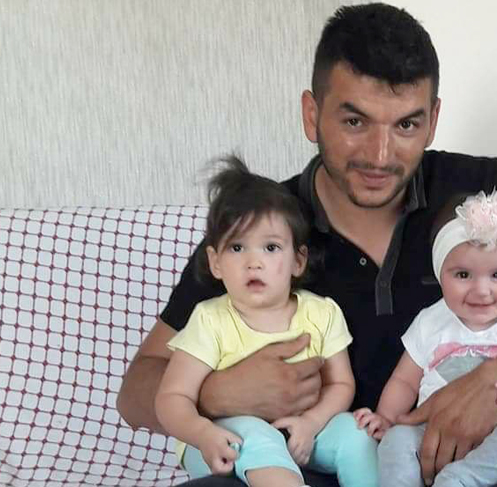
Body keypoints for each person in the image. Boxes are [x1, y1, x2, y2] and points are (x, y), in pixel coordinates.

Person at [117, 3, 497, 486]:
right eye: (355, 121)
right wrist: (215, 392)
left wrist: (494, 384)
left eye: (406, 124)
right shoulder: (260, 231)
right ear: (312, 114)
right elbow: (136, 389)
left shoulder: (488, 193)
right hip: (299, 468)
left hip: (475, 468)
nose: (380, 155)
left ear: (432, 120)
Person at [154, 157, 377, 486]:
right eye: (237, 247)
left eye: (271, 247)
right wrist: (202, 433)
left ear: (298, 260)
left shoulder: (321, 313)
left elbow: (340, 384)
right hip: (221, 440)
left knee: (355, 434)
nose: (253, 262)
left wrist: (312, 422)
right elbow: (172, 398)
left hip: (300, 430)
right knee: (258, 436)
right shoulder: (210, 320)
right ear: (215, 262)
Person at [353, 187, 497, 486]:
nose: (481, 290)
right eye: (463, 275)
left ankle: (461, 479)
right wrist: (386, 418)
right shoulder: (431, 320)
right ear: (440, 274)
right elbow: (404, 381)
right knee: (396, 440)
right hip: (433, 431)